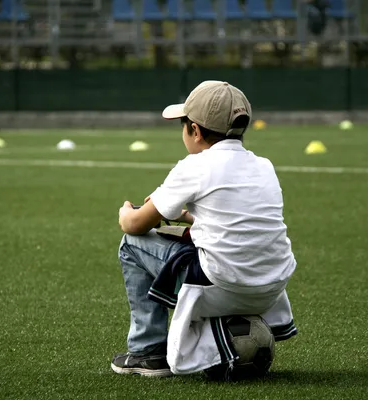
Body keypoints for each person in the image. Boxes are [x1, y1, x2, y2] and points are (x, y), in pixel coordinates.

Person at [113, 81, 297, 378]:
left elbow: (134, 225)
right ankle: (226, 338)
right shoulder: (264, 165)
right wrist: (186, 216)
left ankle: (148, 352)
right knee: (192, 246)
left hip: (223, 286)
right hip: (270, 290)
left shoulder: (195, 165)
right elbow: (236, 224)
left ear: (195, 130)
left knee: (131, 243)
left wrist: (126, 211)